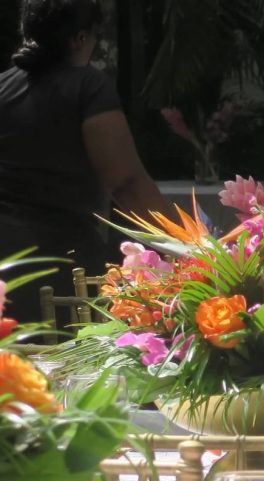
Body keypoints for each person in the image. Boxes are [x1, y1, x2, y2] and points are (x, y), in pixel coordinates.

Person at [0, 0, 169, 324]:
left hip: (4, 271)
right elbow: (126, 183)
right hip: (57, 267)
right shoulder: (87, 85)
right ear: (80, 38)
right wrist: (186, 242)